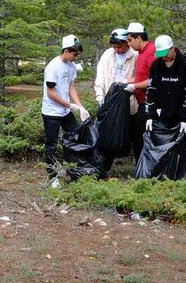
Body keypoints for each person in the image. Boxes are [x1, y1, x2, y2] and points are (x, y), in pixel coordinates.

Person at [143, 35, 186, 180]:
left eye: (166, 54)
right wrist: (149, 115)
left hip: (183, 113)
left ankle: (178, 178)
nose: (164, 58)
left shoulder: (185, 66)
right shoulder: (156, 66)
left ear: (173, 49)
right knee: (163, 144)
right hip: (162, 113)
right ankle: (162, 175)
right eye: (160, 55)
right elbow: (151, 90)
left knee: (182, 146)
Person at [42, 35, 89, 188]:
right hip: (51, 113)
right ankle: (53, 176)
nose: (76, 57)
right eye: (74, 54)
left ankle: (75, 171)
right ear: (66, 51)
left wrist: (80, 106)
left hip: (65, 111)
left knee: (76, 137)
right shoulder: (53, 67)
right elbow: (51, 93)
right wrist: (70, 106)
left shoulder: (71, 66)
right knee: (51, 146)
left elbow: (71, 88)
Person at [94, 28, 138, 171]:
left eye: (119, 46)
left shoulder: (135, 55)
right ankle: (103, 168)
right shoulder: (108, 54)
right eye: (114, 46)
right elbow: (100, 75)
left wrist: (132, 86)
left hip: (128, 101)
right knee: (106, 133)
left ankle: (138, 168)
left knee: (133, 135)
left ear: (127, 43)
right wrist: (99, 94)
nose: (116, 49)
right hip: (110, 100)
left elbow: (141, 76)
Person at [124, 22, 156, 161]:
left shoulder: (151, 52)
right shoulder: (141, 53)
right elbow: (142, 75)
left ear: (139, 38)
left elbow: (154, 80)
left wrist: (135, 86)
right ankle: (140, 165)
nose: (129, 44)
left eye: (130, 40)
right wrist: (127, 81)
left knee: (140, 135)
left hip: (151, 102)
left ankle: (143, 167)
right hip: (141, 101)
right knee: (136, 134)